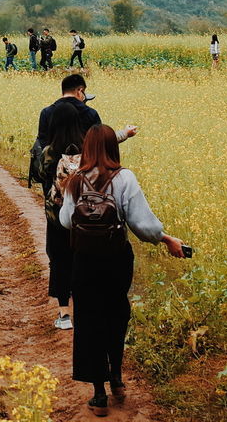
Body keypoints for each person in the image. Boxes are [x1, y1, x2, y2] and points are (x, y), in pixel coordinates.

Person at [59, 125, 188, 415]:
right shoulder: (124, 178)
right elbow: (143, 225)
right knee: (116, 314)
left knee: (89, 321)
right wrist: (166, 239)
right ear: (113, 147)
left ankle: (98, 394)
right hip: (116, 259)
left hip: (84, 261)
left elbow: (67, 221)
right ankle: (116, 377)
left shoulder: (75, 181)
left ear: (87, 148)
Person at [40, 101, 140, 332]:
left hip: (58, 217)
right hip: (87, 217)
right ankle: (91, 310)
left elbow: (39, 174)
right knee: (81, 260)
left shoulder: (49, 150)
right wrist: (125, 132)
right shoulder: (88, 147)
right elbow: (105, 141)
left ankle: (64, 314)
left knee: (59, 260)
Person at [30, 74, 137, 181]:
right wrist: (125, 133)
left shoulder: (46, 112)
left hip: (53, 172)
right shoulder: (90, 113)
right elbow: (99, 140)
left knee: (53, 196)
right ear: (79, 91)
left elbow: (43, 142)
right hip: (84, 172)